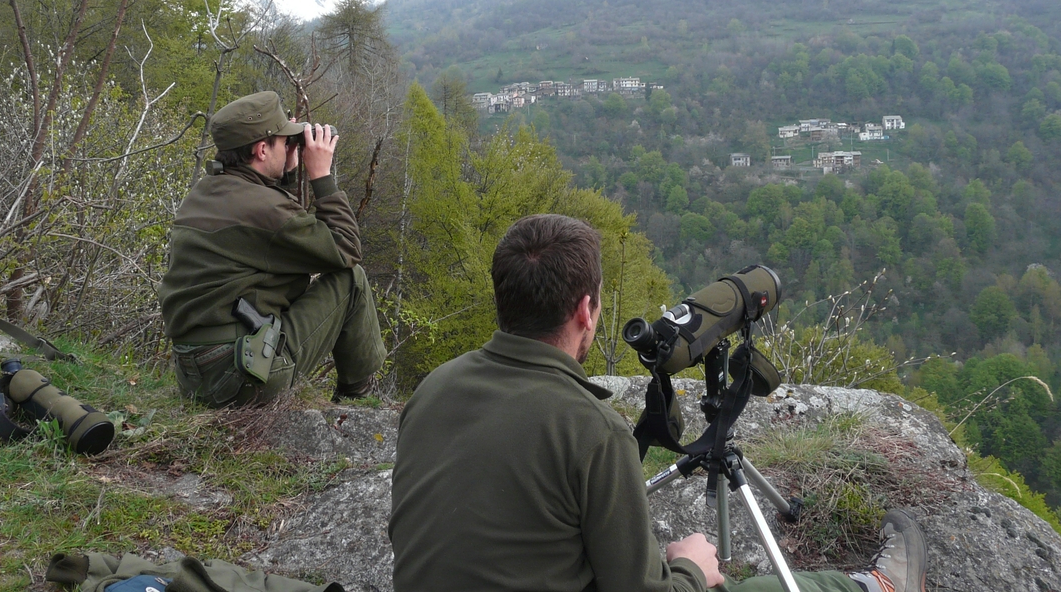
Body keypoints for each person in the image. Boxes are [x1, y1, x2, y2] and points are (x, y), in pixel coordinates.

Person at [388, 213, 927, 592]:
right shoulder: (592, 431)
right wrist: (690, 568)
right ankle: (877, 587)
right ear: (586, 311)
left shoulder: (432, 390)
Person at [159, 91, 386, 407]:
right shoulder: (260, 207)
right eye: (284, 142)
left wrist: (287, 171)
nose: (291, 147)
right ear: (262, 149)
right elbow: (345, 248)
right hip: (241, 380)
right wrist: (321, 176)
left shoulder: (206, 192)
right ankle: (356, 403)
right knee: (352, 281)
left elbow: (275, 235)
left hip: (200, 377)